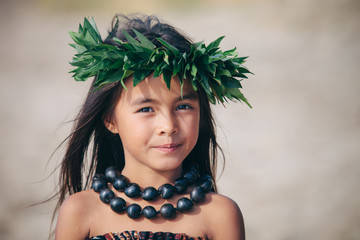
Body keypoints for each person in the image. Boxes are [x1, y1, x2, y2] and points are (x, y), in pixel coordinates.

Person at [54, 14, 251, 240]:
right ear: (110, 119)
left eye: (184, 106)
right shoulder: (80, 212)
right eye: (146, 109)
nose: (168, 126)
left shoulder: (220, 215)